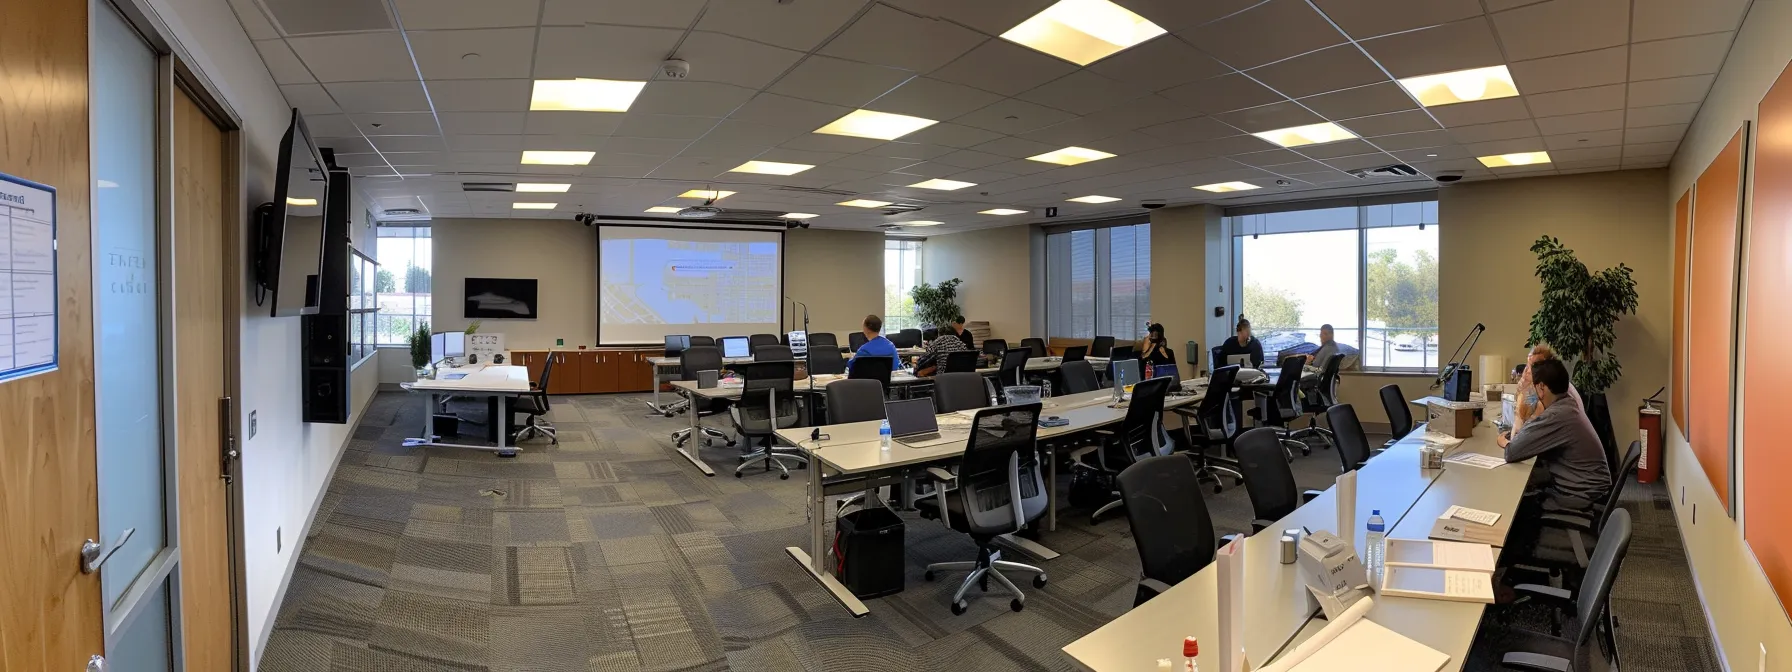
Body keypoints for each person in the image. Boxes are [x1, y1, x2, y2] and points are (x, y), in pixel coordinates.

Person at [1498, 358, 1612, 556]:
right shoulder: (1566, 403)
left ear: (1541, 388)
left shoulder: (1557, 415)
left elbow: (1513, 452)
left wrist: (1504, 441)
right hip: (1589, 486)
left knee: (1517, 511)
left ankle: (1510, 566)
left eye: (1534, 387)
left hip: (1579, 495)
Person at [1512, 344, 1596, 438]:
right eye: (1527, 365)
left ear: (1545, 369)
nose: (1526, 370)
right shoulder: (1550, 386)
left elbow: (1521, 437)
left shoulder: (1552, 392)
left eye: (1532, 366)